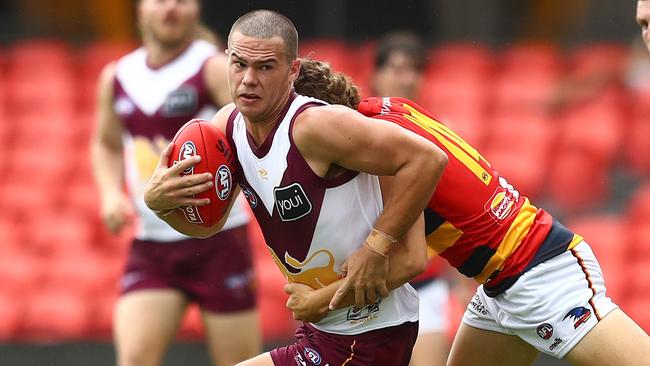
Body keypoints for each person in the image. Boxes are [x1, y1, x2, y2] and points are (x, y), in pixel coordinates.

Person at [289, 58, 650, 365]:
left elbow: (412, 260)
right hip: (497, 283)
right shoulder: (387, 108)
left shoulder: (380, 154)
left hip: (540, 271)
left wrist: (318, 300)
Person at [143, 9, 448, 366]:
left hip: (367, 332)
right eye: (239, 64)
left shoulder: (315, 127)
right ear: (225, 60)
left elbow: (428, 160)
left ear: (293, 70)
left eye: (266, 67)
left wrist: (374, 248)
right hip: (323, 329)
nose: (248, 80)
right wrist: (159, 204)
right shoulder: (226, 127)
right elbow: (209, 225)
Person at [91, 1, 261, 365]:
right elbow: (105, 143)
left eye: (181, 0)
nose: (171, 7)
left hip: (220, 240)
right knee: (133, 360)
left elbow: (255, 130)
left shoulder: (214, 67)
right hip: (152, 243)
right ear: (139, 10)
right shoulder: (118, 76)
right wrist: (109, 194)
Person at [371, 31, 459, 366]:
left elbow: (456, 213)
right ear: (377, 74)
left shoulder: (439, 130)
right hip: (375, 283)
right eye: (396, 69)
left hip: (426, 283)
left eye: (414, 70)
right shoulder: (354, 131)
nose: (406, 79)